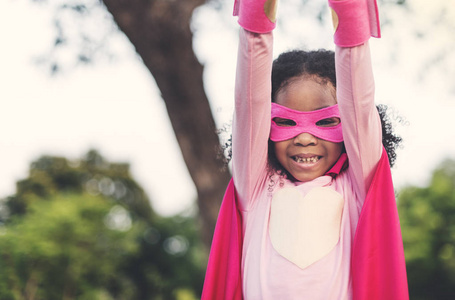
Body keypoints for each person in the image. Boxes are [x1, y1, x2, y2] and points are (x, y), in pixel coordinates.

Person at [202, 0, 409, 299]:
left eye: (325, 121)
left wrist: (349, 14)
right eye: (286, 121)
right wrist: (255, 22)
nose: (304, 138)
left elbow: (359, 104)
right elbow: (249, 101)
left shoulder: (355, 190)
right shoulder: (257, 186)